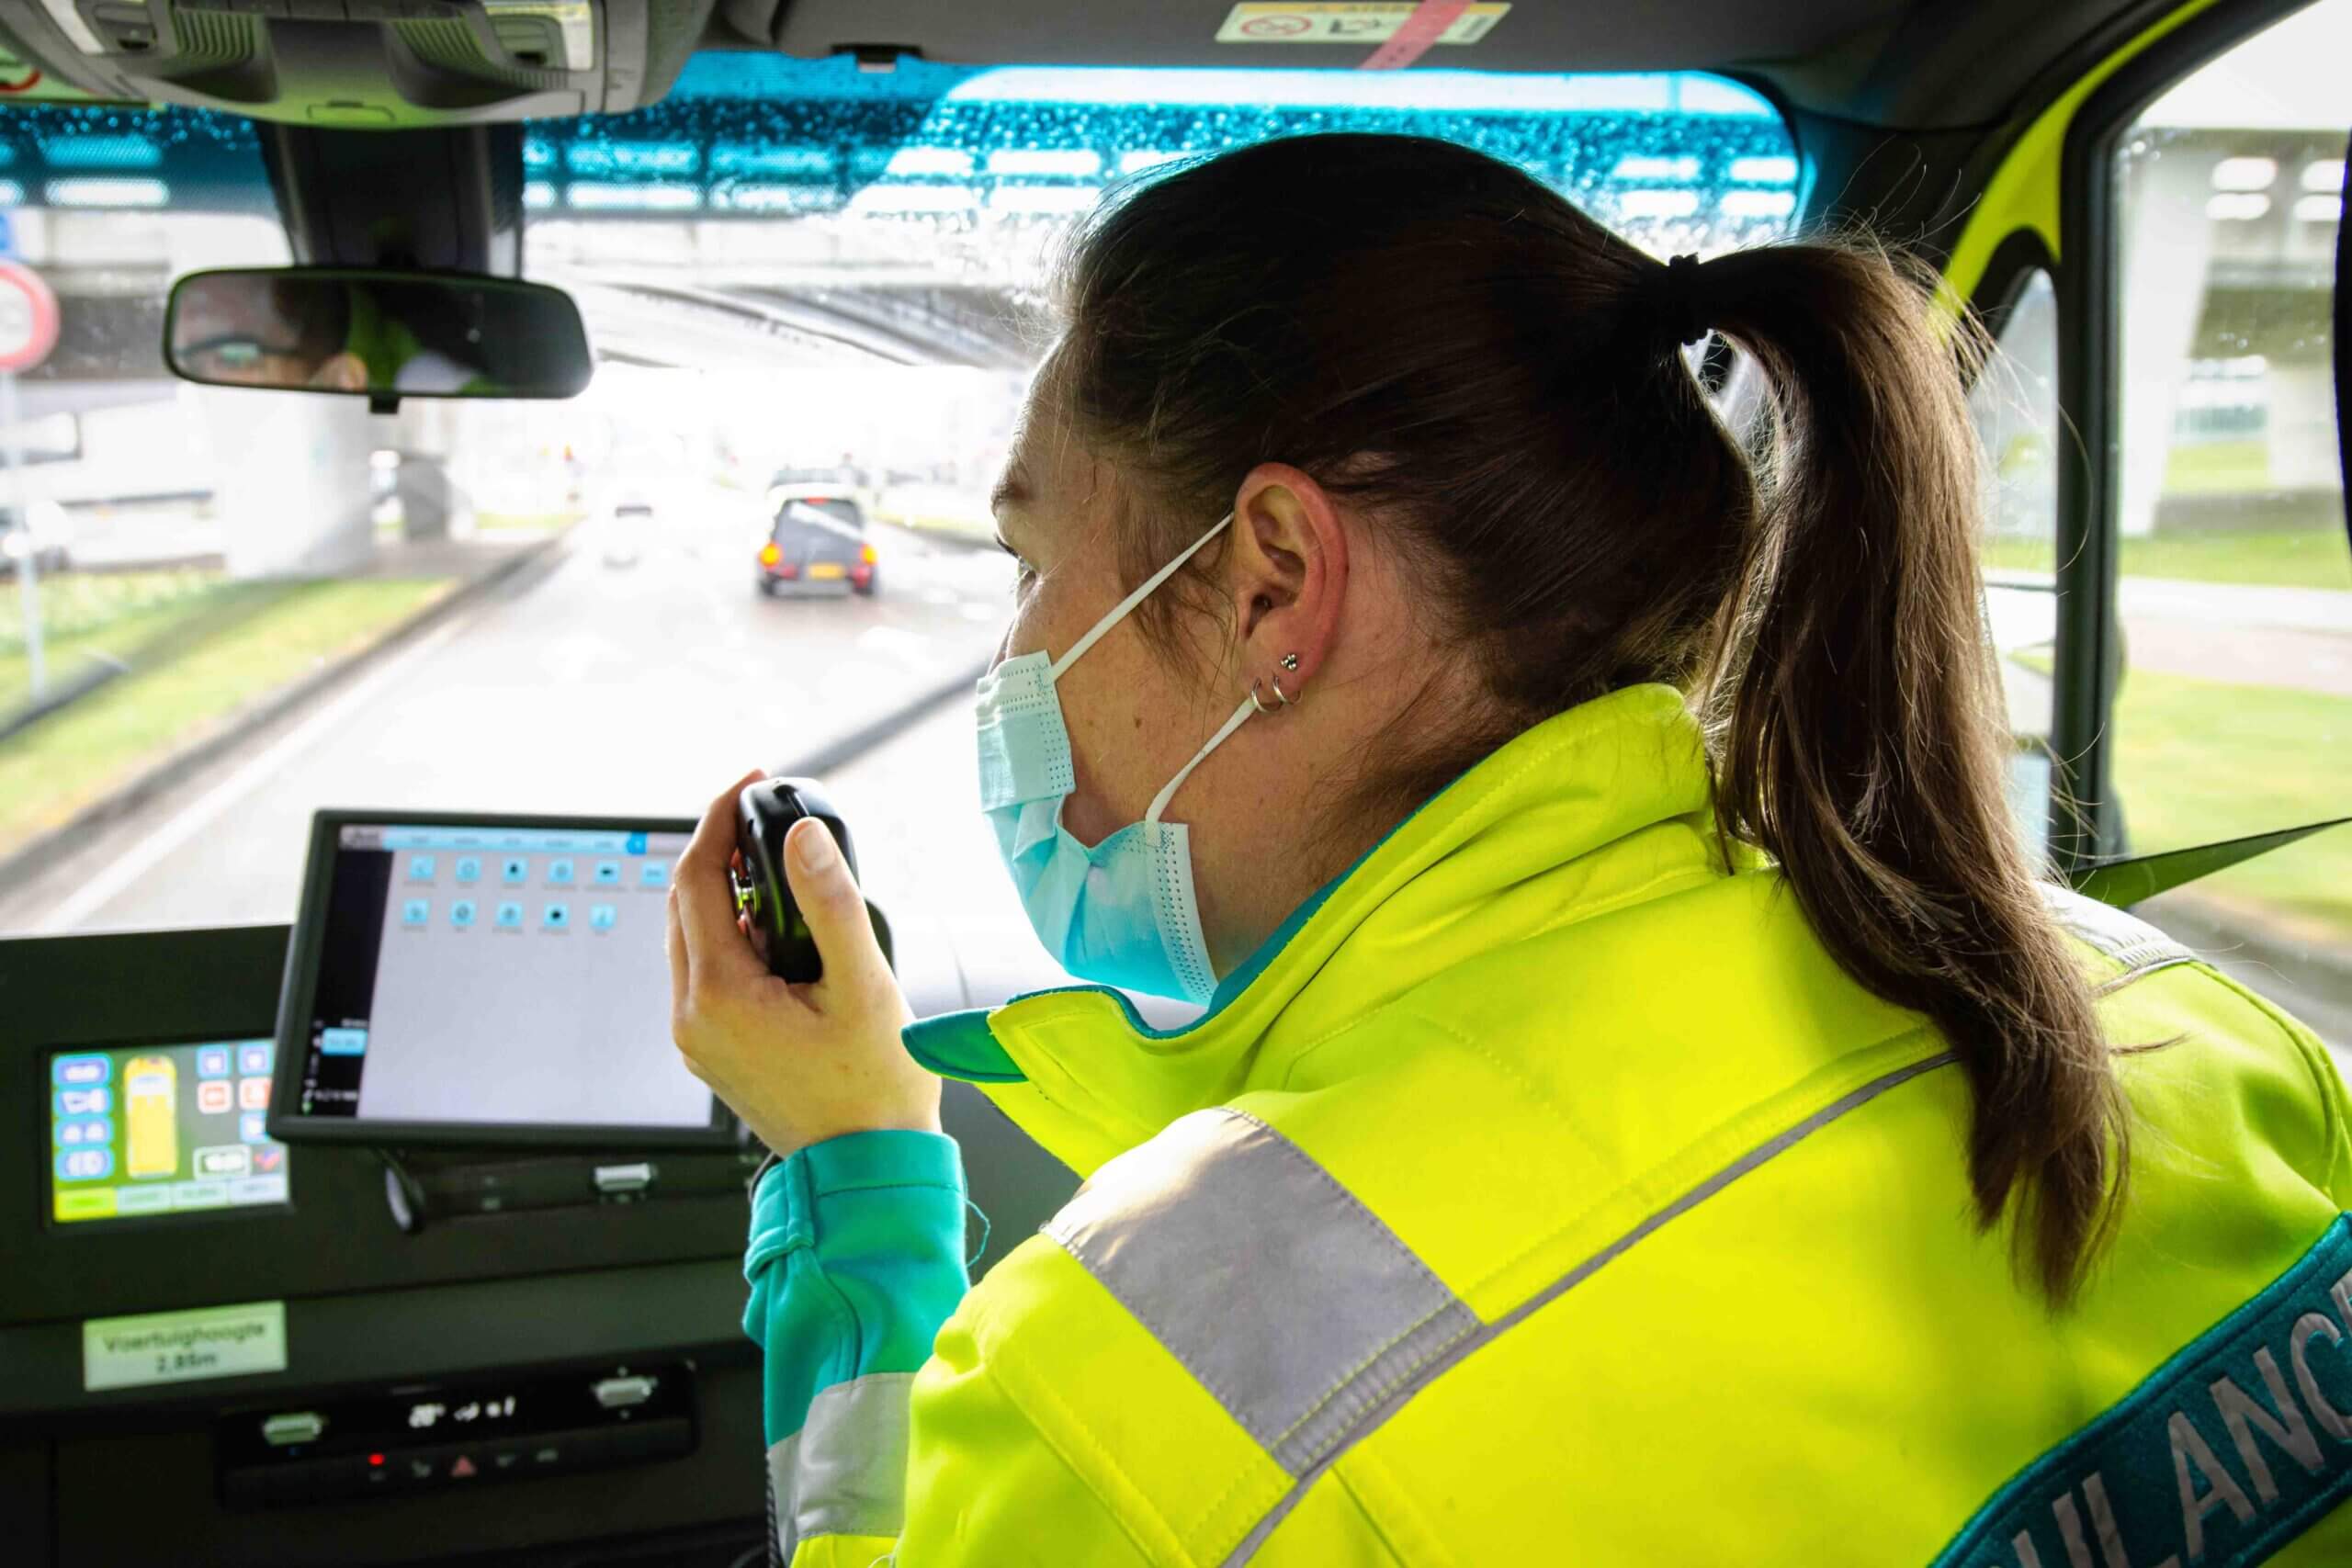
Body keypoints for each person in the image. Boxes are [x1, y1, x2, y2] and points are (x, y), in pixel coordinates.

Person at [667, 133, 2352, 1565]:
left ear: (1271, 581)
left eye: (1029, 561)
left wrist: (857, 1167)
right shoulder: (2196, 1023)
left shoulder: (1141, 1397)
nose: (1021, 648)